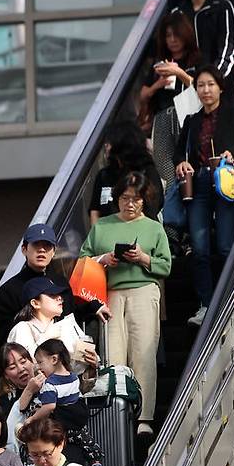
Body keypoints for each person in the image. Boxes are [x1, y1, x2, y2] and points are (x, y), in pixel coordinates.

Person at [79, 172, 172, 439]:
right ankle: (118, 413)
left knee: (143, 354)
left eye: (136, 199)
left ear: (145, 201)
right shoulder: (102, 226)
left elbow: (165, 265)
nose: (130, 203)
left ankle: (144, 418)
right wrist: (104, 259)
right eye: (124, 198)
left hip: (144, 290)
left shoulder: (154, 227)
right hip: (109, 294)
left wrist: (142, 258)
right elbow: (83, 260)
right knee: (113, 356)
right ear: (116, 198)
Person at [174, 65, 234, 327]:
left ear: (221, 88)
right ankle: (206, 304)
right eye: (201, 85)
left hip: (225, 182)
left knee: (226, 246)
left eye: (210, 84)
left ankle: (233, 299)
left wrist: (233, 152)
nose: (206, 90)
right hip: (199, 183)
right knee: (199, 249)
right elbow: (178, 152)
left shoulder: (233, 114)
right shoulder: (192, 120)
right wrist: (182, 162)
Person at [0, 223, 110, 352]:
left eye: (47, 245)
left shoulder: (60, 283)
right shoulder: (8, 290)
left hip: (62, 357)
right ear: (24, 249)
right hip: (28, 358)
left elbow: (70, 315)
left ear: (53, 252)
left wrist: (93, 307)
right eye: (36, 245)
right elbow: (3, 336)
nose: (42, 250)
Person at [140, 11, 201, 253]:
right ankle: (173, 237)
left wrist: (180, 73)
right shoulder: (159, 63)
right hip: (163, 119)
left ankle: (192, 234)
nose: (172, 40)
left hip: (189, 118)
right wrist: (159, 82)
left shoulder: (195, 59)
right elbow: (143, 94)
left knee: (190, 176)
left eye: (176, 35)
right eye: (168, 36)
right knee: (167, 177)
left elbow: (204, 86)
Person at [0, 341, 104, 466]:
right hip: (35, 456)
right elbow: (10, 434)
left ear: (32, 362)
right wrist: (29, 391)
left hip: (67, 444)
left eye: (23, 361)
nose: (21, 368)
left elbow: (76, 393)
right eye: (12, 367)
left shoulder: (52, 381)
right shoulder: (6, 400)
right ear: (6, 375)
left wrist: (92, 369)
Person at [170, 0, 234, 92]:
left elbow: (229, 48)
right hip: (187, 88)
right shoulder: (177, 14)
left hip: (219, 86)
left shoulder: (223, 7)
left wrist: (212, 80)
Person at [88, 119, 163, 224]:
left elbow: (152, 208)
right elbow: (95, 210)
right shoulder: (104, 175)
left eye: (110, 142)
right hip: (107, 231)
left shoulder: (147, 172)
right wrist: (97, 232)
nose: (106, 146)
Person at [7, 276, 95, 360]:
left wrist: (92, 364)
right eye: (52, 294)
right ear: (35, 303)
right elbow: (23, 365)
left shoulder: (63, 327)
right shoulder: (22, 329)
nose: (59, 298)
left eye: (59, 294)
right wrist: (47, 337)